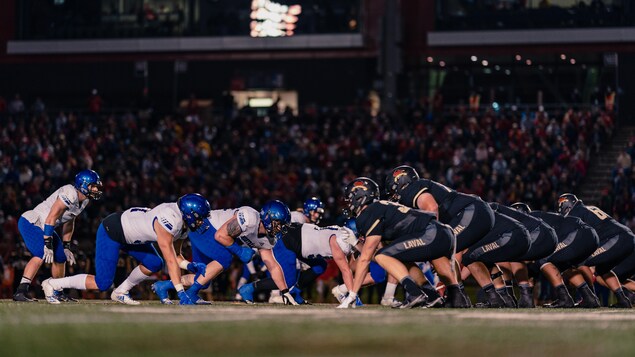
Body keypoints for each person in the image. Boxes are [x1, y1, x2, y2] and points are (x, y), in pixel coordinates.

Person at [43, 193, 211, 305]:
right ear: (189, 213)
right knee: (102, 283)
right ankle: (53, 283)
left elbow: (177, 257)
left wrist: (189, 266)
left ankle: (121, 291)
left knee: (153, 262)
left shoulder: (182, 224)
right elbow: (171, 260)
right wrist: (181, 292)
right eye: (200, 218)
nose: (202, 222)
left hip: (132, 234)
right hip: (114, 230)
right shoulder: (170, 219)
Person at [337, 177, 467, 309]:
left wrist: (352, 295)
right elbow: (378, 256)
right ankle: (438, 296)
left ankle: (415, 293)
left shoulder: (369, 213)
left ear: (359, 197)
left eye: (350, 198)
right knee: (395, 257)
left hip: (431, 233)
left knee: (385, 255)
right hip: (443, 232)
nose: (349, 203)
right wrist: (356, 244)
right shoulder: (380, 208)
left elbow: (366, 259)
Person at [385, 165, 500, 307]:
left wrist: (433, 235)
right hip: (477, 212)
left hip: (470, 212)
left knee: (437, 248)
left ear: (400, 183)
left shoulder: (411, 188)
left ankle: (456, 296)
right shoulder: (422, 185)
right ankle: (495, 297)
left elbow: (431, 207)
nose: (394, 196)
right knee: (467, 255)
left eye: (393, 191)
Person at [14, 170, 103, 302]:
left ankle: (57, 290)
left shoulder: (84, 201)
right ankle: (20, 291)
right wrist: (48, 244)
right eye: (93, 186)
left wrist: (66, 246)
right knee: (41, 253)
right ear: (83, 184)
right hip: (32, 221)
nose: (95, 189)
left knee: (61, 256)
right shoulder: (69, 193)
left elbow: (69, 222)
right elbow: (51, 217)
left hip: (46, 226)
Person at [151, 205, 260, 304]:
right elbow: (220, 236)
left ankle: (164, 286)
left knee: (203, 278)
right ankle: (191, 293)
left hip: (201, 230)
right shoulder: (251, 217)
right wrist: (240, 251)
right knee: (225, 258)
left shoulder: (264, 235)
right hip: (205, 227)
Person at [239, 220, 359, 305]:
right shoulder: (339, 241)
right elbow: (345, 270)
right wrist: (353, 295)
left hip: (301, 240)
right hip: (290, 241)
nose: (361, 240)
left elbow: (353, 267)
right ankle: (248, 288)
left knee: (320, 266)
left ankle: (295, 293)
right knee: (287, 281)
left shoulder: (342, 235)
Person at [557, 193, 635, 308]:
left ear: (567, 204)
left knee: (579, 262)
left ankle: (590, 298)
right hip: (625, 238)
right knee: (602, 269)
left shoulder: (575, 213)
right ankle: (623, 300)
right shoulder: (585, 209)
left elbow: (573, 241)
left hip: (616, 238)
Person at [525, 204, 600, 308]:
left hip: (576, 233)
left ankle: (564, 298)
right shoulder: (540, 216)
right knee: (563, 266)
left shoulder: (528, 221)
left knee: (543, 260)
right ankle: (589, 297)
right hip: (589, 235)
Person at [228, 200, 300, 305]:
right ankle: (238, 294)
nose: (279, 228)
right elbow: (222, 235)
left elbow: (272, 265)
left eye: (282, 225)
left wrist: (285, 291)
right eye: (278, 223)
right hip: (216, 232)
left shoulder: (268, 239)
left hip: (240, 250)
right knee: (226, 259)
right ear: (267, 217)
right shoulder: (250, 219)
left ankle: (269, 294)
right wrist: (239, 252)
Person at [488, 202, 558, 307]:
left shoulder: (524, 226)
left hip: (540, 258)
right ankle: (516, 296)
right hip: (541, 256)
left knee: (508, 257)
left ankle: (510, 295)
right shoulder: (535, 221)